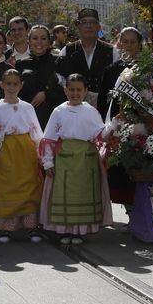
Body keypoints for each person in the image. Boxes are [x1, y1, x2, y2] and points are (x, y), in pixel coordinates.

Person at [39, 74, 109, 244]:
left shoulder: (91, 111)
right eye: (71, 90)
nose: (75, 93)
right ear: (65, 90)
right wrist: (48, 162)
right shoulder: (59, 111)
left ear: (85, 91)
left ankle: (79, 231)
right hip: (64, 158)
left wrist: (114, 125)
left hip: (87, 159)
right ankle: (64, 231)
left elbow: (101, 134)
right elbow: (49, 139)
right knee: (64, 194)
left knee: (83, 194)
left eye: (79, 90)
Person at [0, 68, 45, 243]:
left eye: (15, 84)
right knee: (7, 187)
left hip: (26, 151)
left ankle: (31, 227)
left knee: (30, 186)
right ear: (2, 85)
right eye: (8, 84)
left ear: (21, 85)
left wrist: (41, 154)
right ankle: (6, 228)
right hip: (6, 151)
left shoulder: (27, 107)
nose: (11, 87)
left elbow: (36, 131)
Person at [56, 9, 119, 109]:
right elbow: (60, 77)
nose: (88, 26)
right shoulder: (67, 51)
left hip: (104, 108)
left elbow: (117, 80)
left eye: (92, 22)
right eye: (84, 22)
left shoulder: (112, 51)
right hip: (74, 108)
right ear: (78, 27)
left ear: (99, 27)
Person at [17, 25, 63, 128]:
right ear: (29, 41)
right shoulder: (20, 64)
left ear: (49, 41)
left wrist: (46, 94)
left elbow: (66, 88)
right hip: (27, 120)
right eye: (35, 38)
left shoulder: (59, 61)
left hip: (53, 119)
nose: (39, 42)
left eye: (43, 38)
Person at [97, 27, 142, 122]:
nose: (129, 45)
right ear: (120, 44)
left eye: (133, 42)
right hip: (117, 119)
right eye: (125, 42)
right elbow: (102, 100)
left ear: (139, 44)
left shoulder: (149, 67)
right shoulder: (110, 70)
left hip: (144, 119)